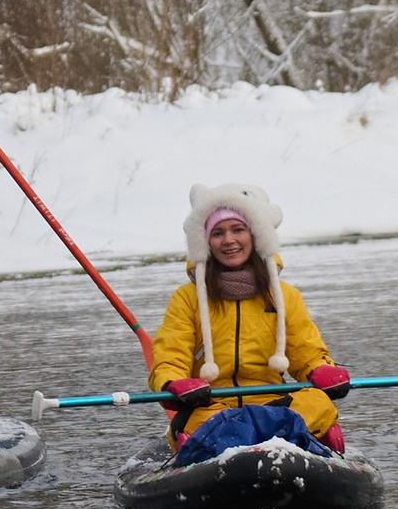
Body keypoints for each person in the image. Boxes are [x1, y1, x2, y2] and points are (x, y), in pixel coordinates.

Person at [147, 188, 350, 464]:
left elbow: (307, 351)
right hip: (212, 406)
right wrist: (174, 383)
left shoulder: (286, 295)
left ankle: (258, 436)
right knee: (198, 421)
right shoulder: (186, 298)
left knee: (318, 403)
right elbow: (170, 356)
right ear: (205, 243)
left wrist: (322, 369)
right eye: (217, 233)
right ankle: (278, 437)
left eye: (237, 230)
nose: (229, 240)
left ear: (255, 235)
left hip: (275, 404)